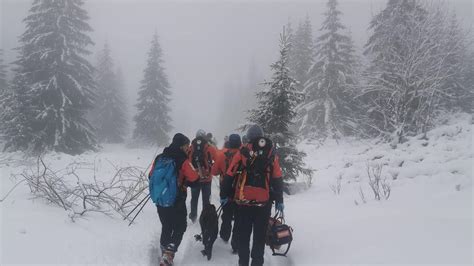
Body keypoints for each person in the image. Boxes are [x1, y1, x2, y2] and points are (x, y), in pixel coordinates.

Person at [221, 125, 284, 266]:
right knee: (259, 238)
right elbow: (277, 178)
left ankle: (243, 263)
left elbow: (229, 174)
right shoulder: (271, 153)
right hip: (263, 204)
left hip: (243, 203)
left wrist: (224, 194)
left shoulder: (242, 152)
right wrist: (279, 199)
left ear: (248, 137)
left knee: (243, 237)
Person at [150, 133, 199, 266]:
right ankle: (169, 253)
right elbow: (194, 179)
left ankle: (163, 251)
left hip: (161, 200)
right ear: (182, 145)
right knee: (180, 226)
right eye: (186, 146)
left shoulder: (160, 157)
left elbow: (151, 176)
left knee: (166, 226)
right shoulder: (183, 160)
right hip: (177, 201)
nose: (187, 148)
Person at [212, 133, 242, 253]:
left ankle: (225, 236)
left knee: (227, 214)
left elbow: (214, 172)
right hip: (240, 190)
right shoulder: (244, 155)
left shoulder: (221, 155)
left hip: (225, 188)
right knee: (239, 217)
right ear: (240, 143)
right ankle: (236, 244)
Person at [188, 130, 218, 223]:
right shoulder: (210, 148)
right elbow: (217, 159)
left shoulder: (190, 148)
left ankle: (193, 216)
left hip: (194, 178)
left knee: (194, 199)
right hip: (207, 178)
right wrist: (212, 170)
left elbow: (186, 161)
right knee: (206, 200)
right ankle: (205, 218)